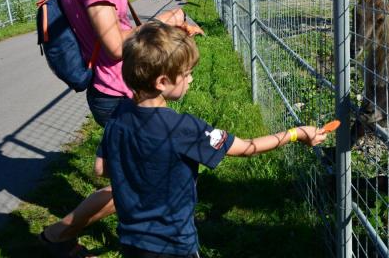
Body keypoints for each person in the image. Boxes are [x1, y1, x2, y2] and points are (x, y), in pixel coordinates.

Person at [39, 0, 203, 258]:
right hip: (115, 92)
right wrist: (162, 21)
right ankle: (56, 237)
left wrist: (167, 32)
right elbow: (115, 46)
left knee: (132, 184)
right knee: (133, 186)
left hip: (121, 88)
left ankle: (58, 238)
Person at [94, 21, 327, 257]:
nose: (191, 80)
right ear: (162, 82)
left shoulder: (118, 118)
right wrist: (295, 134)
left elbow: (101, 167)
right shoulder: (183, 128)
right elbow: (247, 148)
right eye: (186, 74)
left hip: (132, 241)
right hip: (174, 244)